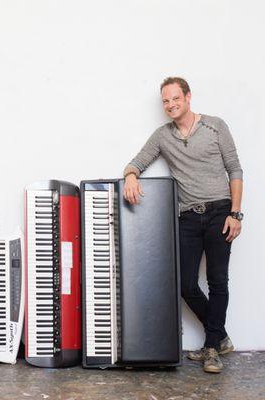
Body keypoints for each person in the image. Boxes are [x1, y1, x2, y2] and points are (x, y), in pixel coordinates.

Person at [123, 77, 243, 373]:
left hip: (219, 213)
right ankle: (220, 336)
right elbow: (136, 162)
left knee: (218, 281)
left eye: (175, 98)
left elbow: (235, 169)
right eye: (165, 101)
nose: (170, 105)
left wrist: (236, 214)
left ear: (188, 97)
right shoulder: (163, 136)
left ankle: (211, 347)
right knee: (184, 283)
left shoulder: (215, 125)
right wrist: (130, 177)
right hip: (188, 216)